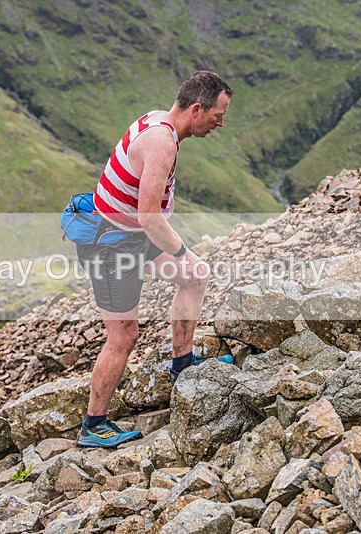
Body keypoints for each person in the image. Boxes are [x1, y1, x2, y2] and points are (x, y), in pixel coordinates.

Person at [76, 71, 233, 448]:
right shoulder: (162, 142)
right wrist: (183, 251)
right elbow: (149, 214)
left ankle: (182, 364)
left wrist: (186, 259)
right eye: (217, 115)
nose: (221, 123)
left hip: (133, 234)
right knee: (124, 336)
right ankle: (93, 426)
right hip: (111, 244)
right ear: (196, 109)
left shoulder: (158, 119)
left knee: (195, 277)